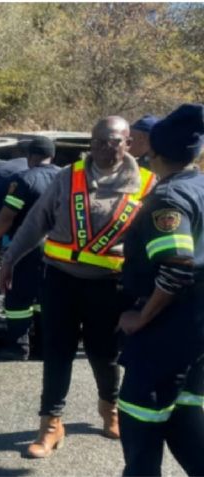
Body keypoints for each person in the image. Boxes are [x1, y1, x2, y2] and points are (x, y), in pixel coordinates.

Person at [0, 116, 155, 458]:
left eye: (112, 141)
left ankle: (109, 408)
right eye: (97, 141)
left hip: (110, 286)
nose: (103, 148)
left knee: (104, 354)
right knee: (56, 351)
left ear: (128, 143)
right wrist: (9, 259)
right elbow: (36, 220)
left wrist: (147, 293)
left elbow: (153, 243)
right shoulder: (69, 177)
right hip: (60, 280)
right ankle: (50, 424)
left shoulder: (147, 184)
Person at [117, 103, 204, 476]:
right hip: (195, 333)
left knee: (140, 418)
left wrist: (141, 317)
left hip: (166, 332)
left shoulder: (168, 199)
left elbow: (176, 266)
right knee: (183, 415)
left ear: (155, 153)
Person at [0, 137, 60, 360]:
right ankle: (44, 346)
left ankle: (18, 347)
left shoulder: (24, 179)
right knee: (45, 296)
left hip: (29, 246)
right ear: (52, 156)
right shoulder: (67, 178)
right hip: (61, 247)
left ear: (30, 157)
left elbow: (7, 216)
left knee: (18, 296)